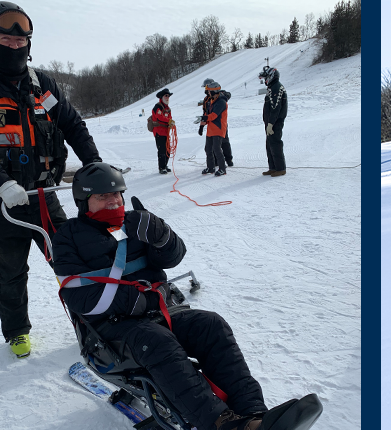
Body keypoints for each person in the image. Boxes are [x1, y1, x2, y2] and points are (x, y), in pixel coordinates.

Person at [54, 163, 319, 430]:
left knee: (211, 325)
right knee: (157, 341)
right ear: (84, 202)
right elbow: (81, 299)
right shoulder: (68, 237)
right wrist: (139, 300)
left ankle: (255, 417)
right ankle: (222, 425)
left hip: (159, 312)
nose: (113, 202)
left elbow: (173, 257)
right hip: (110, 330)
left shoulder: (135, 223)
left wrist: (162, 236)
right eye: (102, 196)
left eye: (117, 194)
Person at [0, 1, 104, 358]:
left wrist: (93, 163)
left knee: (72, 260)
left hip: (43, 195)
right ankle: (17, 331)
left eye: (21, 42)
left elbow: (72, 123)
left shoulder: (40, 85)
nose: (15, 47)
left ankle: (92, 321)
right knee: (10, 271)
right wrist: (1, 183)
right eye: (6, 39)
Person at [260, 66, 288, 177]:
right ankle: (273, 167)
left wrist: (271, 123)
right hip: (270, 122)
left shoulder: (277, 88)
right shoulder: (272, 87)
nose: (265, 80)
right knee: (269, 144)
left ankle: (280, 168)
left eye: (266, 77)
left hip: (275, 122)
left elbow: (276, 107)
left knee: (275, 143)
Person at [200, 79, 228, 176]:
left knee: (217, 149)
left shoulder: (221, 102)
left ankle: (222, 168)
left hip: (218, 128)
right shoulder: (212, 101)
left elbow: (214, 115)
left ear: (214, 91)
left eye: (209, 91)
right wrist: (202, 123)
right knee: (208, 149)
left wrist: (205, 117)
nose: (207, 92)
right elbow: (208, 115)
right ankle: (210, 167)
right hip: (211, 129)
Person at [149, 88, 175, 174]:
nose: (167, 97)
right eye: (166, 96)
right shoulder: (157, 107)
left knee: (168, 149)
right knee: (162, 149)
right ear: (162, 97)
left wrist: (171, 122)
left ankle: (165, 165)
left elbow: (169, 117)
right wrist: (169, 121)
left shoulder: (168, 108)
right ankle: (161, 167)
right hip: (159, 131)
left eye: (168, 96)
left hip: (166, 131)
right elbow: (159, 117)